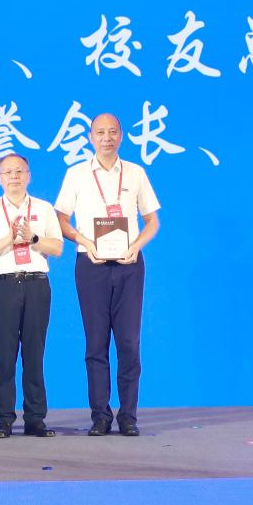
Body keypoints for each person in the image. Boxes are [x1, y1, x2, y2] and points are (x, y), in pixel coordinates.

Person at [54, 114, 160, 437]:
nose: (107, 138)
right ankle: (100, 415)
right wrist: (85, 242)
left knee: (129, 343)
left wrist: (136, 246)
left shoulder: (135, 173)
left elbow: (152, 221)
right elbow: (60, 219)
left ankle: (128, 416)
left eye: (113, 132)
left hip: (129, 265)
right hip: (91, 265)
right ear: (90, 137)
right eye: (100, 132)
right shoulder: (76, 174)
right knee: (96, 343)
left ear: (121, 136)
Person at [0, 154, 63, 438]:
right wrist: (11, 239)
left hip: (36, 284)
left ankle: (35, 419)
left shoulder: (44, 208)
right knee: (4, 355)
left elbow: (57, 248)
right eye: (8, 172)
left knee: (35, 354)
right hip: (4, 285)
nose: (14, 176)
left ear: (29, 176)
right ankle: (4, 419)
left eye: (19, 171)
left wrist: (32, 238)